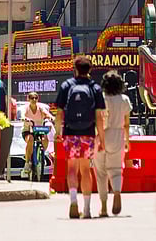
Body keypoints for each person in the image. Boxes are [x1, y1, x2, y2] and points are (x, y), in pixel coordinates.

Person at [55, 55, 106, 219]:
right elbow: (99, 117)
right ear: (90, 69)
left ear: (75, 69)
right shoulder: (95, 88)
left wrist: (57, 131)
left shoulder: (66, 85)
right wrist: (101, 138)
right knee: (85, 170)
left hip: (70, 132)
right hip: (88, 133)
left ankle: (73, 201)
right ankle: (87, 208)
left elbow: (59, 113)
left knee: (71, 169)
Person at [94, 70, 132, 218]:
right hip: (118, 135)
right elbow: (127, 124)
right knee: (116, 170)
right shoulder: (124, 99)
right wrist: (127, 141)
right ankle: (116, 192)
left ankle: (103, 207)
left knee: (101, 172)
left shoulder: (101, 99)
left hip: (101, 135)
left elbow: (97, 120)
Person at [21, 91, 54, 180]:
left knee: (45, 139)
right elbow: (23, 115)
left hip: (39, 129)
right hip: (28, 130)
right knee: (30, 139)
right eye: (32, 98)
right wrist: (25, 119)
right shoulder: (26, 108)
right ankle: (27, 163)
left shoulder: (41, 108)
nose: (34, 100)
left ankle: (41, 155)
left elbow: (46, 113)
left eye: (36, 98)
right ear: (28, 99)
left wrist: (50, 117)